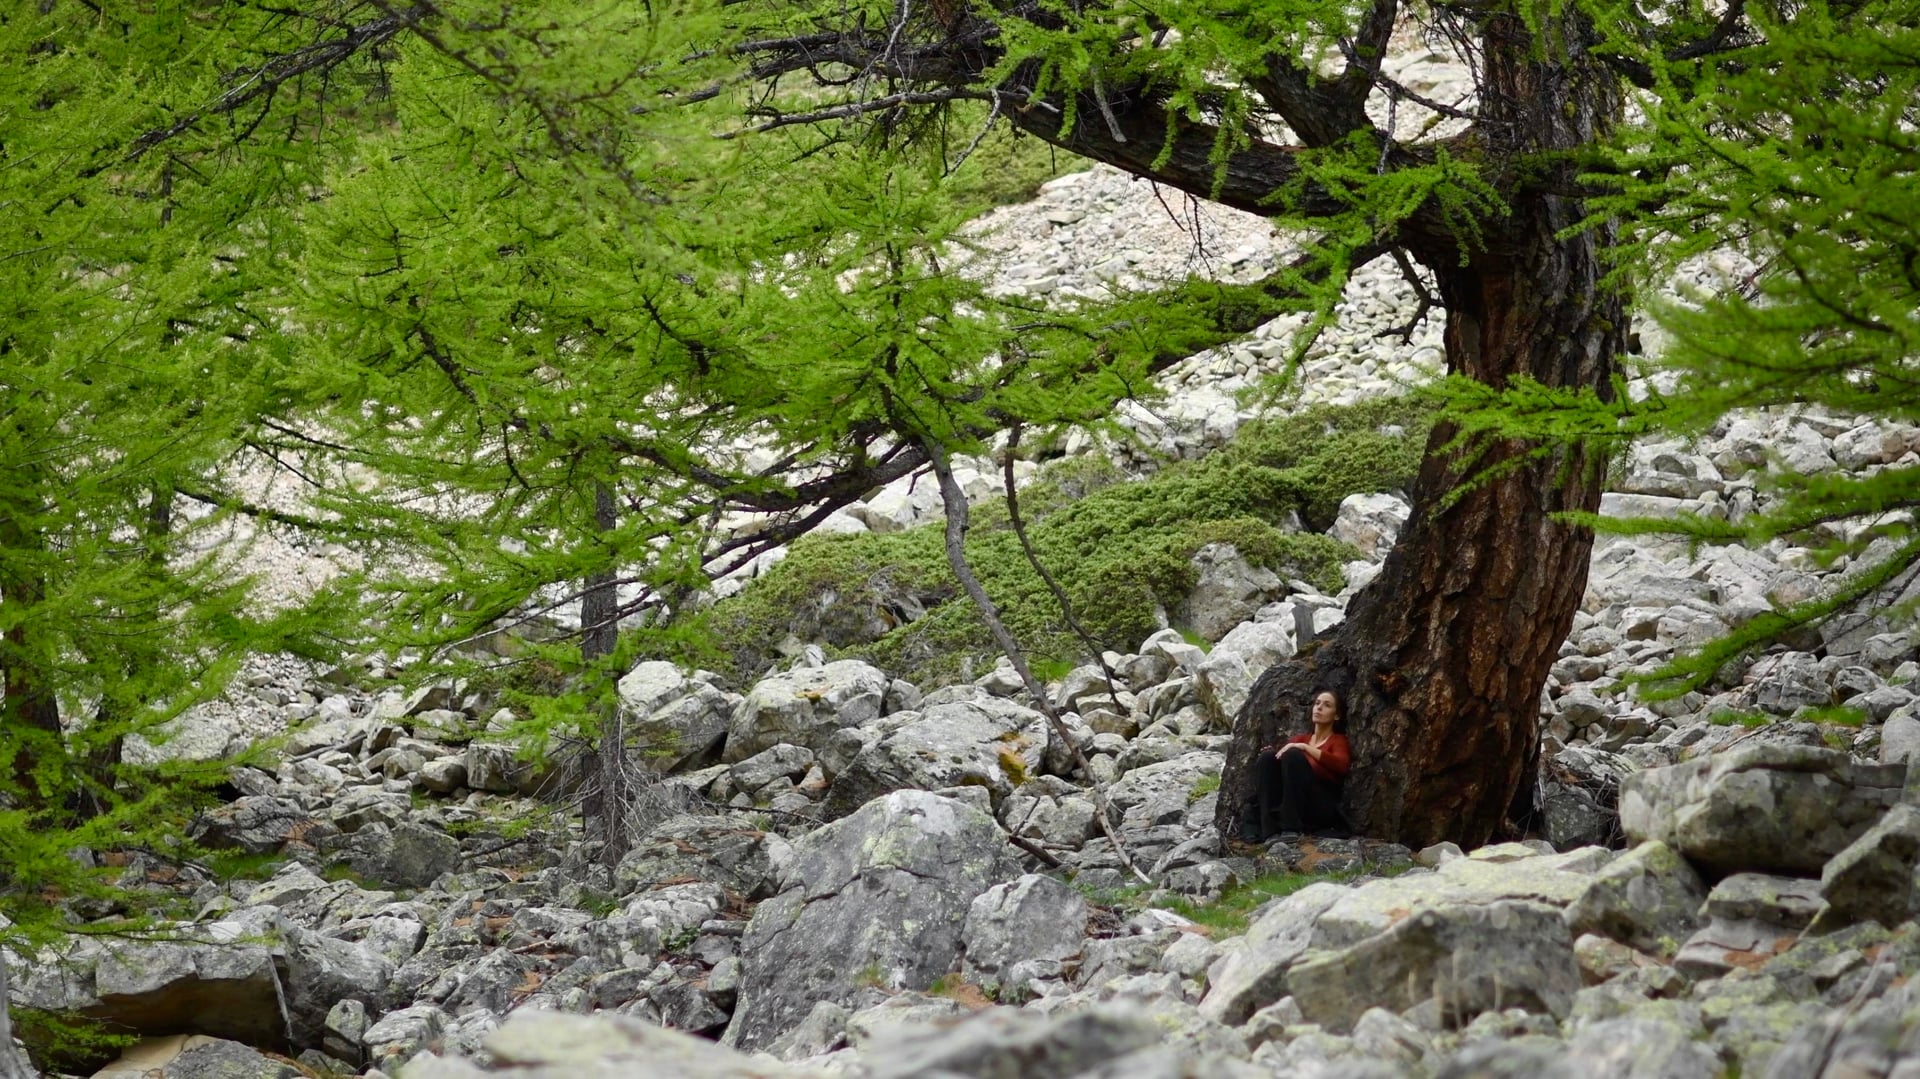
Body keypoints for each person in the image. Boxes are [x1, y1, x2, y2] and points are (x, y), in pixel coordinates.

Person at [1238, 688, 1351, 841]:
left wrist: (1306, 749)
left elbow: (1342, 765)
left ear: (1336, 715)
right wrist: (1271, 757)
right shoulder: (1300, 739)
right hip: (1293, 803)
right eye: (1317, 703)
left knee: (1293, 755)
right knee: (1267, 757)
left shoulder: (1337, 740)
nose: (1319, 708)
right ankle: (1269, 831)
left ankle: (1291, 829)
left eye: (1327, 705)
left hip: (1319, 805)